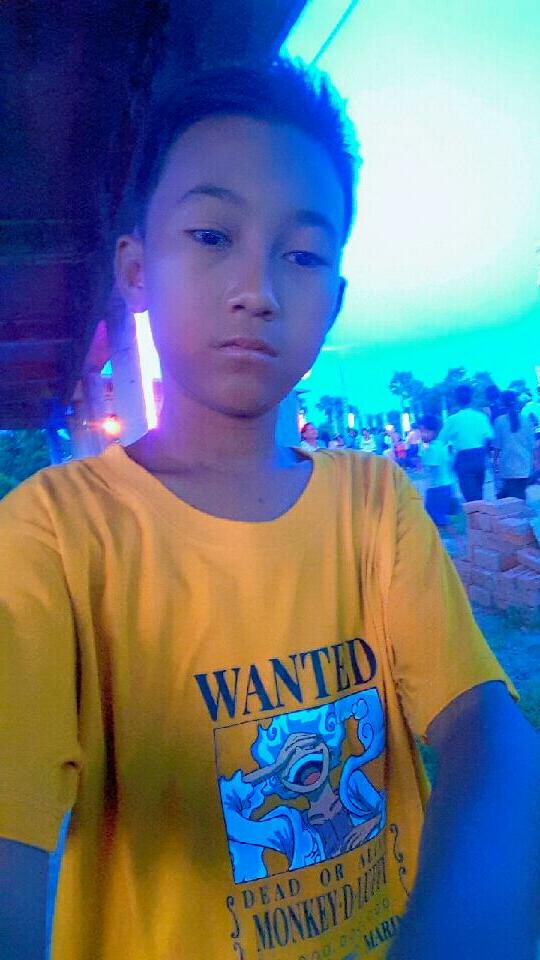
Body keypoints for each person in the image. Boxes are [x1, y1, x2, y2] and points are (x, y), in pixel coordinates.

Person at [1, 57, 539, 960]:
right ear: (135, 268)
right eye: (212, 235)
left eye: (303, 255)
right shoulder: (53, 537)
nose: (259, 289)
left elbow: (487, 730)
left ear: (334, 302)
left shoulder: (374, 504)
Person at [438, 383, 494, 502]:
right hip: (479, 456)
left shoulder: (453, 420)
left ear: (456, 400)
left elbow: (441, 441)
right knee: (479, 494)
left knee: (470, 498)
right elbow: (489, 437)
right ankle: (481, 512)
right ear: (471, 398)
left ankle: (476, 513)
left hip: (463, 459)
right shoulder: (480, 417)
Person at [492, 391, 536, 501]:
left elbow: (497, 446)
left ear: (502, 403)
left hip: (508, 465)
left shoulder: (499, 422)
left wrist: (495, 462)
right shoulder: (527, 421)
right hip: (525, 464)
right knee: (520, 494)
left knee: (512, 498)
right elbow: (532, 446)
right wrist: (534, 463)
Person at [418, 415, 455, 529]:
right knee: (439, 519)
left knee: (435, 520)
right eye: (421, 431)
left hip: (436, 488)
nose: (422, 435)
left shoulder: (433, 448)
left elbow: (430, 465)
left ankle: (450, 537)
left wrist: (422, 456)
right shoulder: (442, 445)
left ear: (433, 432)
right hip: (445, 485)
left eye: (424, 431)